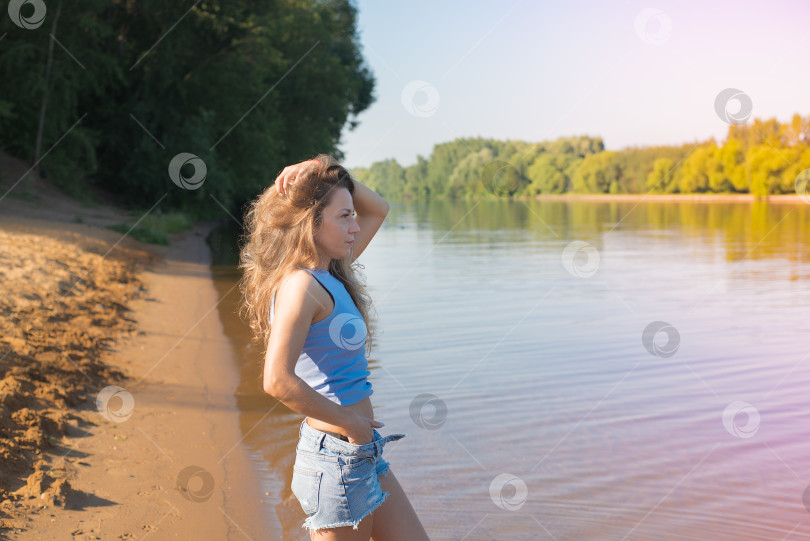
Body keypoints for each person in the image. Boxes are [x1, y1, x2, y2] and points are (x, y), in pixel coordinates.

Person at [237, 155, 430, 540]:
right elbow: (276, 380)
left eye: (352, 215)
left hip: (362, 451)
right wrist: (351, 423)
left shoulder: (329, 274)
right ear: (311, 221)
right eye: (344, 216)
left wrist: (321, 165)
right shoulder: (301, 287)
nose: (356, 226)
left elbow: (380, 208)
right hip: (336, 456)